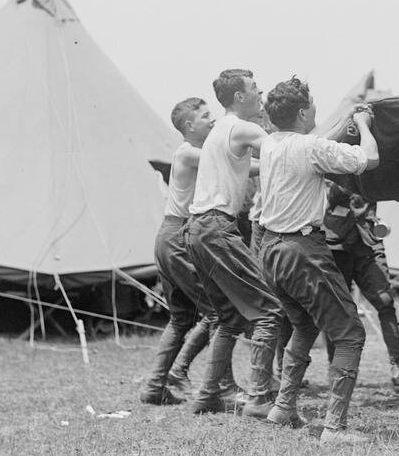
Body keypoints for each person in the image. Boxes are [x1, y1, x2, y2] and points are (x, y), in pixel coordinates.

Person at [255, 77, 380, 445]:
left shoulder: (270, 143)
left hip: (271, 250)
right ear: (302, 112)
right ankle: (334, 429)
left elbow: (318, 140)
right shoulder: (309, 147)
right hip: (302, 250)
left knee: (304, 326)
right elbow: (369, 159)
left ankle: (283, 407)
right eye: (312, 104)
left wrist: (347, 123)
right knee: (350, 334)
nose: (316, 108)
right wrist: (363, 126)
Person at [184, 69, 283, 419]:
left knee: (228, 318)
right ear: (240, 97)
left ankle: (208, 394)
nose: (260, 93)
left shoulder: (221, 131)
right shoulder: (243, 128)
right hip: (217, 227)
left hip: (198, 228)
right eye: (255, 88)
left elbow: (256, 167)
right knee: (270, 311)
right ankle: (259, 398)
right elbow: (287, 152)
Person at [140, 97, 218, 405]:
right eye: (205, 116)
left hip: (170, 235)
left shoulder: (193, 153)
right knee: (218, 312)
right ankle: (182, 373)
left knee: (181, 318)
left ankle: (154, 386)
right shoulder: (188, 153)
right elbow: (226, 161)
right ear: (189, 126)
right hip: (179, 237)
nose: (212, 120)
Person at [324, 184, 399, 387]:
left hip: (368, 242)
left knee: (385, 301)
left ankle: (396, 367)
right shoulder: (333, 157)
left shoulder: (372, 159)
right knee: (336, 309)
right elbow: (333, 196)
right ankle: (335, 368)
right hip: (336, 243)